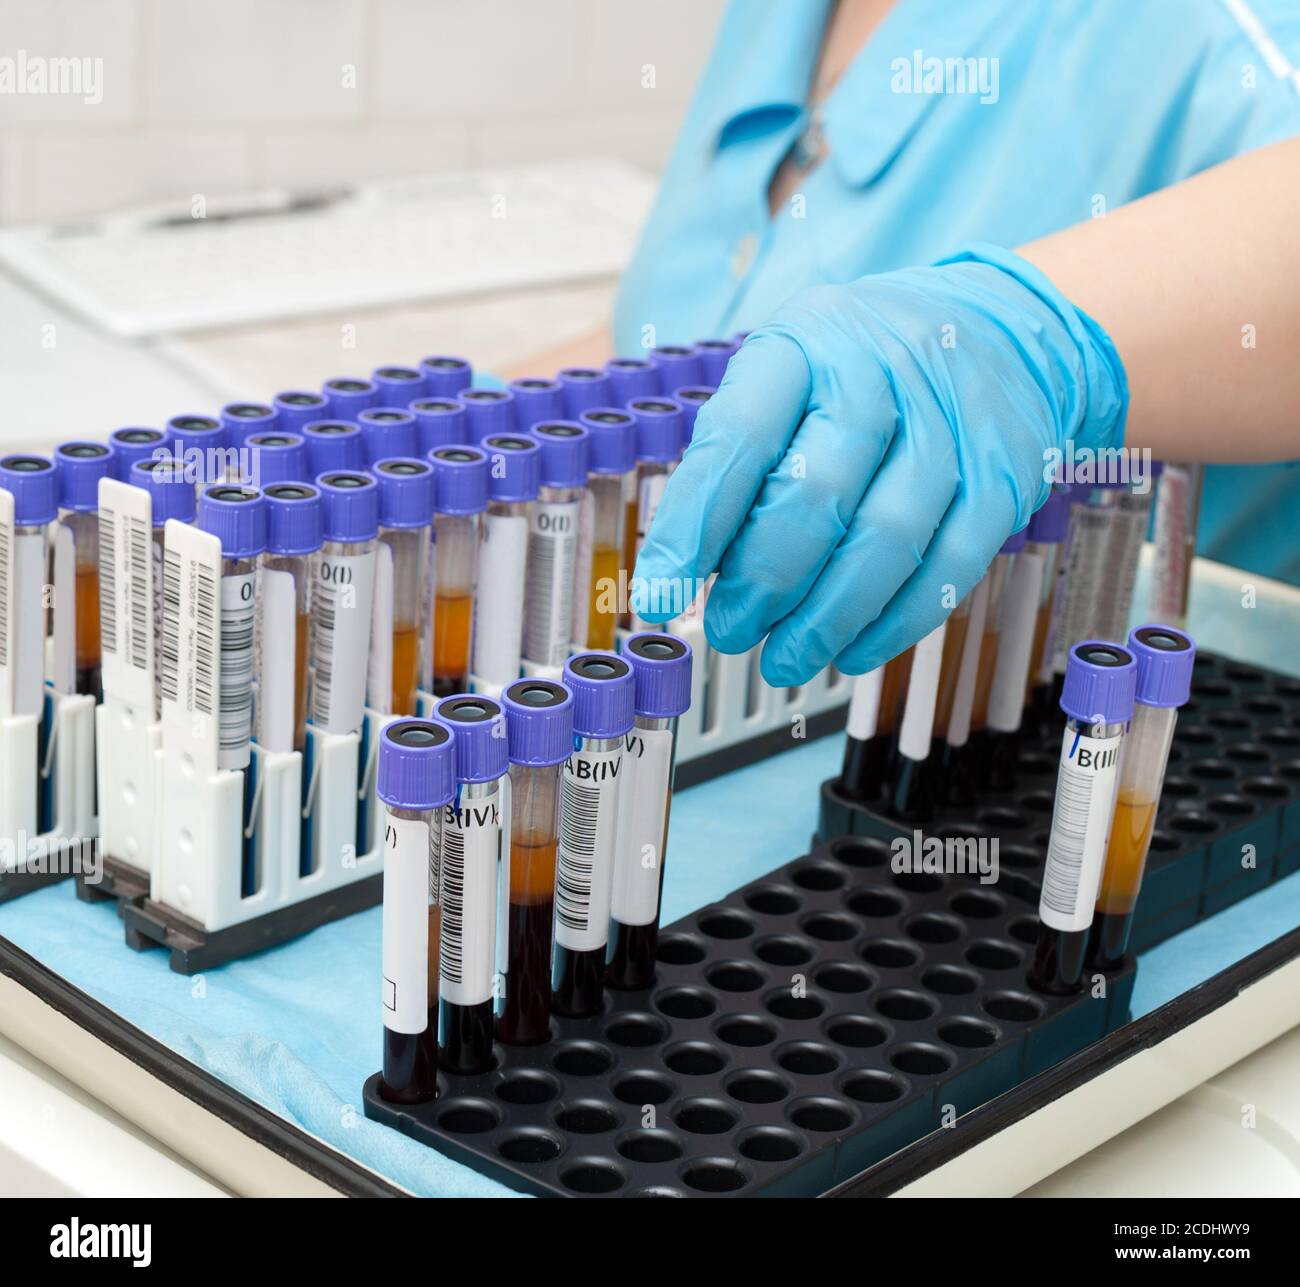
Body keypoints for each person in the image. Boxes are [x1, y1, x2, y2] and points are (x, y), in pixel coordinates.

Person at [517, 0, 1300, 685]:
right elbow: (690, 331)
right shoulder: (783, 17)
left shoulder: (1213, 28)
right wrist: (483, 417)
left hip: (1053, 742)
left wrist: (1033, 332)